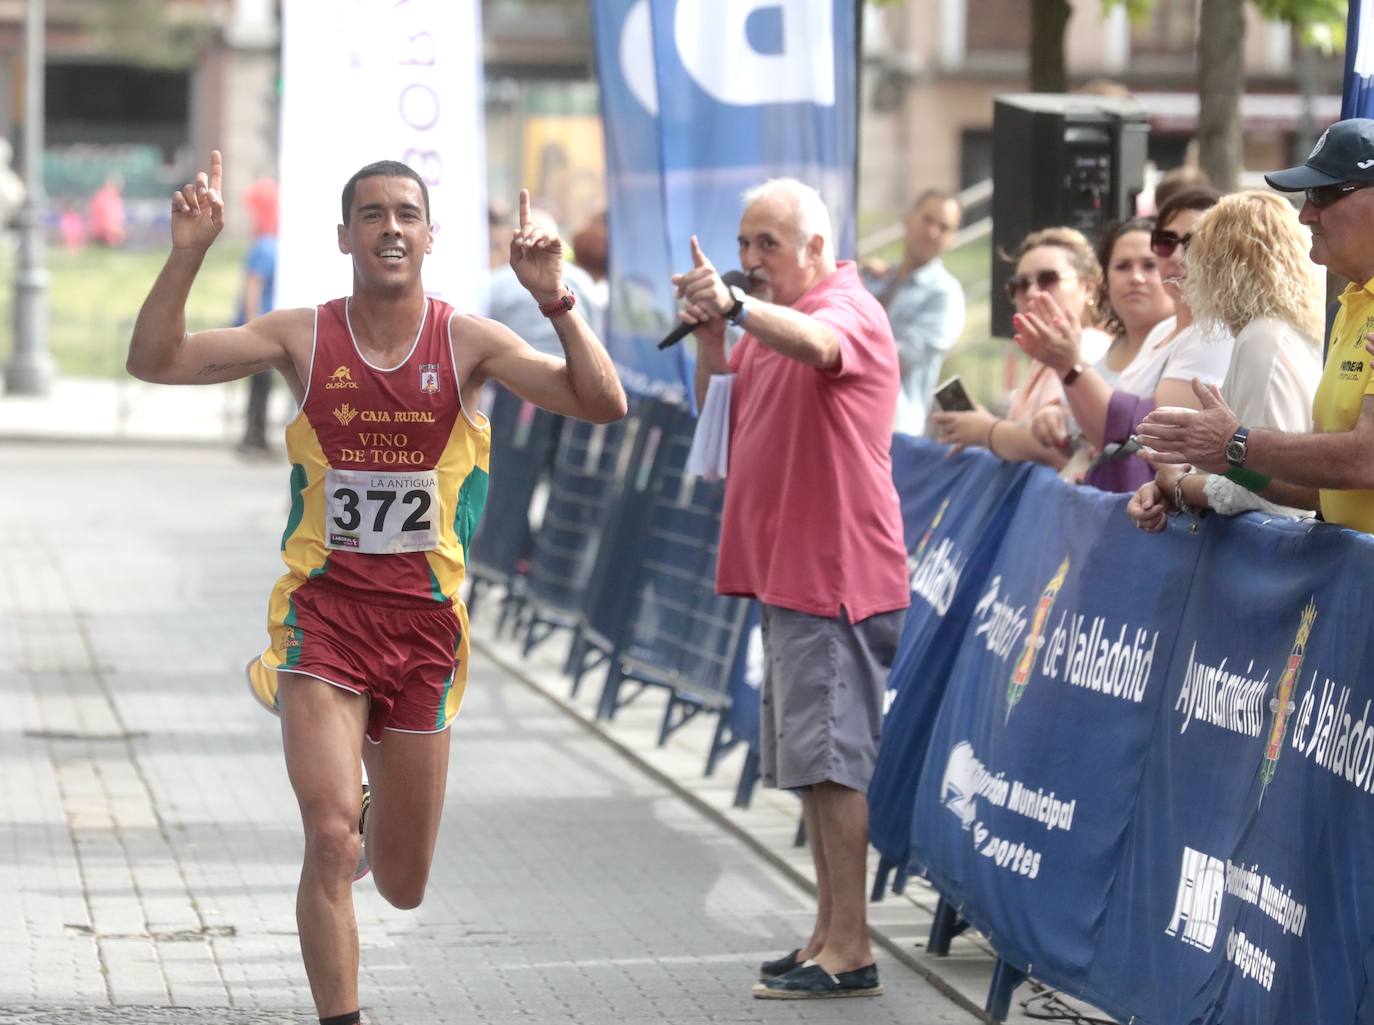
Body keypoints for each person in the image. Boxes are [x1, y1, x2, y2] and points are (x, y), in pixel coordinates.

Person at [125, 151, 626, 1025]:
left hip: (426, 632)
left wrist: (556, 298)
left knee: (400, 881)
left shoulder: (467, 341)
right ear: (346, 236)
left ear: (431, 236)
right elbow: (155, 360)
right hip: (324, 620)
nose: (390, 227)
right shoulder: (302, 336)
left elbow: (601, 402)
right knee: (327, 839)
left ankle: (364, 807)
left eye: (406, 213)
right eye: (372, 214)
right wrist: (189, 253)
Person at [676, 178, 908, 1000]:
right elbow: (721, 420)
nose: (749, 260)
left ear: (816, 247)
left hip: (833, 572)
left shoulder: (846, 308)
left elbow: (818, 344)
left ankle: (851, 946)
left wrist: (738, 310)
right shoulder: (767, 324)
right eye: (742, 245)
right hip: (792, 572)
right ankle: (826, 930)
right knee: (813, 764)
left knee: (834, 762)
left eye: (765, 245)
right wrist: (714, 336)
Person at [1134, 118, 1374, 533]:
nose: (1306, 215)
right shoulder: (1351, 306)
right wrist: (1227, 463)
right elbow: (1323, 491)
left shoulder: (1270, 334)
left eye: (1324, 193)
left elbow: (1365, 461)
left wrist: (1235, 444)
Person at [1127, 191, 1322, 529]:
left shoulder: (1264, 337)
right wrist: (1175, 484)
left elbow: (1268, 489)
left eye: (1195, 251)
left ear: (1220, 265)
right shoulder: (1282, 331)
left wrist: (1177, 485)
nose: (1185, 264)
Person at [1015, 188, 1231, 492]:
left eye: (1195, 242)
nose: (1178, 256)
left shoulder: (1216, 333)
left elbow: (1141, 435)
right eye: (1166, 242)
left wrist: (1070, 367)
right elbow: (1105, 432)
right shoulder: (1160, 332)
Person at [932, 226, 1111, 468]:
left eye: (1048, 279)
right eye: (1020, 284)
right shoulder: (1043, 356)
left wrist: (987, 430)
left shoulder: (1090, 344)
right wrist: (984, 425)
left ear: (1088, 287)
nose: (1032, 292)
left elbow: (1056, 447)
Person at [1025, 217, 1175, 488]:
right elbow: (1077, 431)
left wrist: (1070, 367)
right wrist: (1054, 419)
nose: (1136, 277)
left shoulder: (1185, 347)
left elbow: (1126, 433)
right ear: (1106, 279)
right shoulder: (1105, 350)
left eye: (1149, 265)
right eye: (1122, 267)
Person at [861, 189, 965, 435]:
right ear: (908, 218)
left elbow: (896, 360)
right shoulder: (875, 277)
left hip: (892, 430)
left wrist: (834, 349)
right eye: (927, 220)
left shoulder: (946, 295)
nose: (932, 232)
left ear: (952, 238)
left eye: (944, 227)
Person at [484, 202, 600, 352]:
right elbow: (596, 339)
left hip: (513, 371)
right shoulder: (582, 280)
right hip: (573, 368)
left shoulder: (493, 284)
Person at [237, 177, 279, 454]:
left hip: (263, 326)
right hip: (263, 327)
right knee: (261, 384)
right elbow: (253, 286)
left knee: (260, 384)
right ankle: (255, 436)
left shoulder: (266, 244)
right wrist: (253, 326)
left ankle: (255, 435)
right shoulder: (267, 246)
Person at [88, 173, 127, 247]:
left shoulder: (116, 199)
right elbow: (103, 222)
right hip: (103, 238)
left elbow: (118, 221)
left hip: (114, 237)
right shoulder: (102, 198)